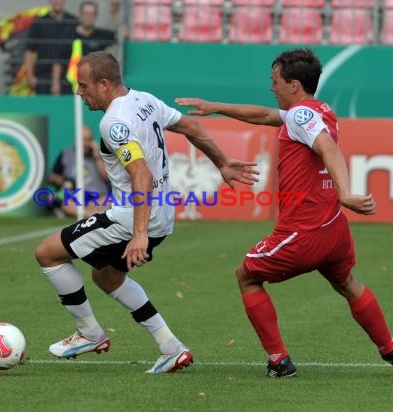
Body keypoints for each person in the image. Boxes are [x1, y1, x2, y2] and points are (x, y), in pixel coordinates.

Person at [176, 48, 393, 378]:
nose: (271, 87)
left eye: (275, 81)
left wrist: (346, 193)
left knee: (247, 276)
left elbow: (327, 147)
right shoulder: (317, 110)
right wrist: (216, 107)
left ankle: (279, 360)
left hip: (303, 232)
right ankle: (390, 348)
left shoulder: (300, 117)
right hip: (333, 229)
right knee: (347, 282)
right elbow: (265, 116)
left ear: (294, 84)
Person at [35, 51, 258, 373]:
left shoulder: (113, 122)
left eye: (84, 86)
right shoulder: (145, 100)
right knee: (106, 275)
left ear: (104, 83)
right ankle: (170, 347)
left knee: (47, 253)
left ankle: (89, 333)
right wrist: (222, 162)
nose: (79, 93)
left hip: (132, 217)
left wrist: (138, 235)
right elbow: (193, 127)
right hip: (162, 217)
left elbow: (142, 175)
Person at [50, 1, 117, 92]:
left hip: (93, 88)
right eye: (86, 14)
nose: (88, 17)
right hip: (69, 86)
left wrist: (115, 14)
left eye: (91, 14)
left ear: (96, 16)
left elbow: (122, 35)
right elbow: (58, 61)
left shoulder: (101, 35)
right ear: (80, 15)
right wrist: (55, 83)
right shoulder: (68, 34)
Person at [48, 125, 111, 218]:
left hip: (96, 198)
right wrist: (63, 181)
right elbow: (52, 177)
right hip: (74, 197)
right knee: (52, 197)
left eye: (88, 139)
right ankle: (89, 214)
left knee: (111, 198)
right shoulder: (66, 154)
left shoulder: (101, 155)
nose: (86, 143)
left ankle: (76, 212)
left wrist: (97, 156)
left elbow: (106, 177)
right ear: (76, 140)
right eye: (83, 140)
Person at [24, 0, 78, 95]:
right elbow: (29, 51)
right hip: (43, 79)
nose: (57, 1)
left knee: (67, 109)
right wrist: (31, 77)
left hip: (67, 79)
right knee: (44, 109)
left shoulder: (73, 22)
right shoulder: (40, 22)